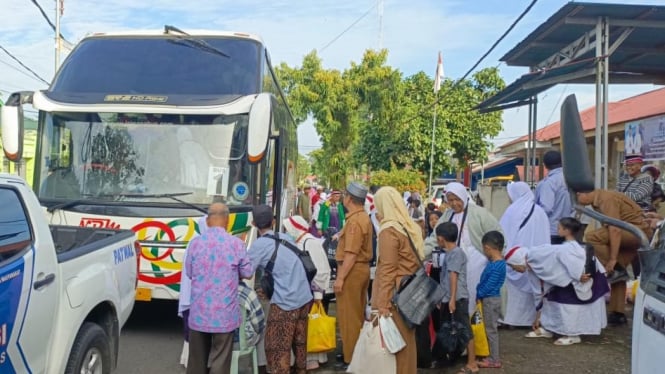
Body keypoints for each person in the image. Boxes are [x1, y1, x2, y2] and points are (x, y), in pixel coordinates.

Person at [507, 218, 609, 345]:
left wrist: (578, 275)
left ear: (518, 261)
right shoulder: (532, 264)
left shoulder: (539, 254)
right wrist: (538, 317)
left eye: (513, 266)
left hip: (581, 277)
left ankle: (572, 334)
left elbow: (567, 258)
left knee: (567, 304)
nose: (514, 269)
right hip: (568, 279)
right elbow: (539, 290)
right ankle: (548, 328)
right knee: (551, 299)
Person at [184, 203, 253, 374]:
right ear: (227, 221)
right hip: (224, 314)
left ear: (207, 221)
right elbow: (248, 272)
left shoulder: (195, 244)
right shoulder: (236, 244)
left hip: (199, 313)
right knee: (220, 361)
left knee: (196, 363)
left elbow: (190, 272)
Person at [248, 205, 313, 374]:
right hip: (304, 297)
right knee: (299, 343)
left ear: (254, 223)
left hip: (286, 302)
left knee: (277, 349)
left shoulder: (259, 245)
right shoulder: (286, 237)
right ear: (274, 221)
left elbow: (247, 272)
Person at [577, 189, 651, 325]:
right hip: (631, 231)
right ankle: (618, 313)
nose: (576, 201)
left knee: (591, 237)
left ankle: (616, 268)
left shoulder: (606, 198)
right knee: (619, 273)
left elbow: (615, 229)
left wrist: (612, 259)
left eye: (576, 197)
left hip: (635, 231)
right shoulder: (597, 201)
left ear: (582, 193)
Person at [369, 186, 422, 373]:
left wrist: (381, 304)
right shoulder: (408, 226)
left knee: (395, 346)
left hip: (395, 297)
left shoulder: (389, 231)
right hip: (410, 294)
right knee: (407, 342)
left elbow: (387, 270)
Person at [427, 182, 501, 315]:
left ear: (464, 197)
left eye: (457, 199)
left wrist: (498, 255)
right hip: (453, 260)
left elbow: (496, 233)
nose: (454, 203)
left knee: (472, 292)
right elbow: (434, 238)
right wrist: (420, 253)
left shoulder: (479, 213)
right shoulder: (447, 215)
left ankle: (472, 322)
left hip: (475, 261)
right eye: (450, 200)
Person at [282, 214, 332, 370]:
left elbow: (323, 270)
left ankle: (312, 358)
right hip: (299, 291)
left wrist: (318, 295)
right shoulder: (297, 242)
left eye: (288, 229)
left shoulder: (311, 243)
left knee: (310, 326)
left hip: (311, 292)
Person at [499, 182, 550, 327]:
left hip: (515, 258)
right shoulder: (540, 212)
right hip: (534, 260)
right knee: (533, 285)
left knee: (512, 290)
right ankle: (531, 319)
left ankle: (510, 319)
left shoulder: (511, 211)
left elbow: (503, 234)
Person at [334, 182, 373, 370]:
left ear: (349, 198)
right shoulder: (361, 217)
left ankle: (351, 358)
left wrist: (340, 278)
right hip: (359, 270)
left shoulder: (355, 222)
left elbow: (351, 253)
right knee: (356, 314)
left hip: (352, 271)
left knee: (349, 317)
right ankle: (354, 352)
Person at [436, 222, 479, 374]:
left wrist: (452, 299)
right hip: (450, 297)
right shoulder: (450, 253)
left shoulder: (455, 253)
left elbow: (453, 276)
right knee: (451, 328)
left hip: (458, 298)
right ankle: (450, 357)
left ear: (441, 239)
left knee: (464, 329)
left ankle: (472, 363)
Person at [476, 231, 506, 369]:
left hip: (490, 299)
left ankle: (494, 359)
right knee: (490, 328)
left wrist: (478, 294)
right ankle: (492, 356)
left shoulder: (496, 266)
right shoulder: (499, 263)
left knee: (490, 330)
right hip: (492, 298)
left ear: (488, 247)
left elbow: (489, 285)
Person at [534, 150, 574, 244]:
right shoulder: (570, 179)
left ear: (545, 165)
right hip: (568, 228)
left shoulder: (549, 183)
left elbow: (546, 208)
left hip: (551, 229)